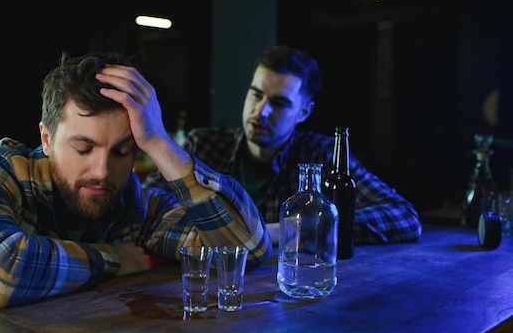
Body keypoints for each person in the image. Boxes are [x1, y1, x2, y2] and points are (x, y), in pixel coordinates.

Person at [0, 51, 271, 315]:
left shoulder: (132, 201)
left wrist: (160, 142)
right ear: (46, 137)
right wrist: (116, 259)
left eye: (121, 151)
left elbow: (247, 251)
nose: (102, 171)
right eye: (84, 148)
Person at [144, 45, 422, 245]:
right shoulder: (203, 144)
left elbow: (404, 217)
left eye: (278, 103)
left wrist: (289, 230)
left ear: (304, 112)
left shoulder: (321, 156)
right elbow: (147, 205)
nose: (261, 111)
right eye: (256, 95)